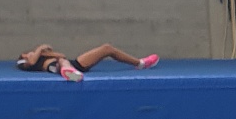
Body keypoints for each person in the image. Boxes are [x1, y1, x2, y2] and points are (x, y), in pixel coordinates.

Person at [16, 43, 158, 81]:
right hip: (55, 67)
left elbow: (61, 55)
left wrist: (44, 52)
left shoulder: (41, 55)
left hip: (71, 63)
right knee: (62, 63)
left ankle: (140, 63)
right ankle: (70, 73)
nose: (28, 53)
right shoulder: (23, 62)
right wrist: (39, 49)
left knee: (107, 48)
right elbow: (32, 62)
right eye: (26, 54)